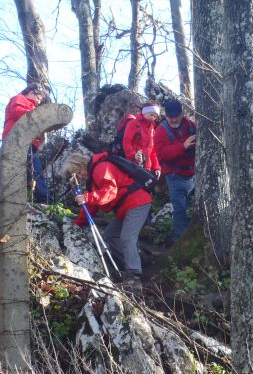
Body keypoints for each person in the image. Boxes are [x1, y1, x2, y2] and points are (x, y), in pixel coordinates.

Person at [63, 151, 152, 286]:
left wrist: (87, 197)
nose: (79, 177)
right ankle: (128, 264)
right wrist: (77, 223)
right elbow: (92, 207)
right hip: (126, 207)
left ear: (81, 165)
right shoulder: (93, 177)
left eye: (76, 172)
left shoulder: (100, 168)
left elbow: (110, 192)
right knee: (110, 235)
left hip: (137, 202)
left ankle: (134, 275)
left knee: (127, 237)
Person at [154, 98, 196, 241]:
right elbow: (161, 155)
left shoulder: (191, 126)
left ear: (182, 113)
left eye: (176, 116)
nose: (173, 119)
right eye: (170, 117)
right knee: (179, 209)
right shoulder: (160, 131)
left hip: (194, 175)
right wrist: (182, 146)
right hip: (175, 176)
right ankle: (180, 241)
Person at [3, 83, 50, 202]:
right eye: (38, 97)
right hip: (17, 138)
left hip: (29, 142)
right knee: (31, 169)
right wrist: (37, 116)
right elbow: (16, 111)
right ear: (31, 92)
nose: (39, 101)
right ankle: (43, 199)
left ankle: (42, 199)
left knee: (34, 170)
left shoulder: (33, 108)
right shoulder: (19, 99)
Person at [118, 104, 161, 176]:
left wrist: (156, 167)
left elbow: (152, 151)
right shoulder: (133, 124)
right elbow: (126, 142)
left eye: (155, 116)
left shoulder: (152, 130)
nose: (153, 117)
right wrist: (133, 155)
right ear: (145, 112)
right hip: (131, 164)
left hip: (146, 168)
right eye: (151, 114)